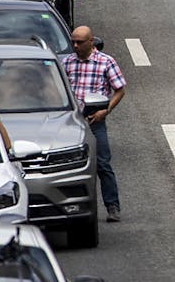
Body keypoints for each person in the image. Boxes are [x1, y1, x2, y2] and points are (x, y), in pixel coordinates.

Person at [63, 26, 127, 223]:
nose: (75, 46)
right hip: (71, 121)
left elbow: (120, 89)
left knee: (102, 164)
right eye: (73, 42)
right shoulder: (66, 63)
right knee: (66, 164)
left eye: (80, 42)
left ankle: (112, 206)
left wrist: (104, 110)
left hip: (94, 120)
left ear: (91, 42)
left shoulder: (105, 62)